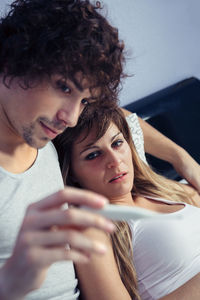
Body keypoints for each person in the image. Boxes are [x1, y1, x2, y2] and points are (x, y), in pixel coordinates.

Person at [0, 0, 126, 299]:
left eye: (84, 101)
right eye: (64, 87)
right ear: (11, 61)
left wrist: (182, 159)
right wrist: (11, 283)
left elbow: (125, 119)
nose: (70, 119)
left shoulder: (43, 137)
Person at [54, 105, 200, 300]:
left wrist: (180, 157)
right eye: (93, 155)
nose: (115, 160)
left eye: (117, 143)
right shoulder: (92, 229)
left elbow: (104, 101)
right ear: (72, 173)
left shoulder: (166, 192)